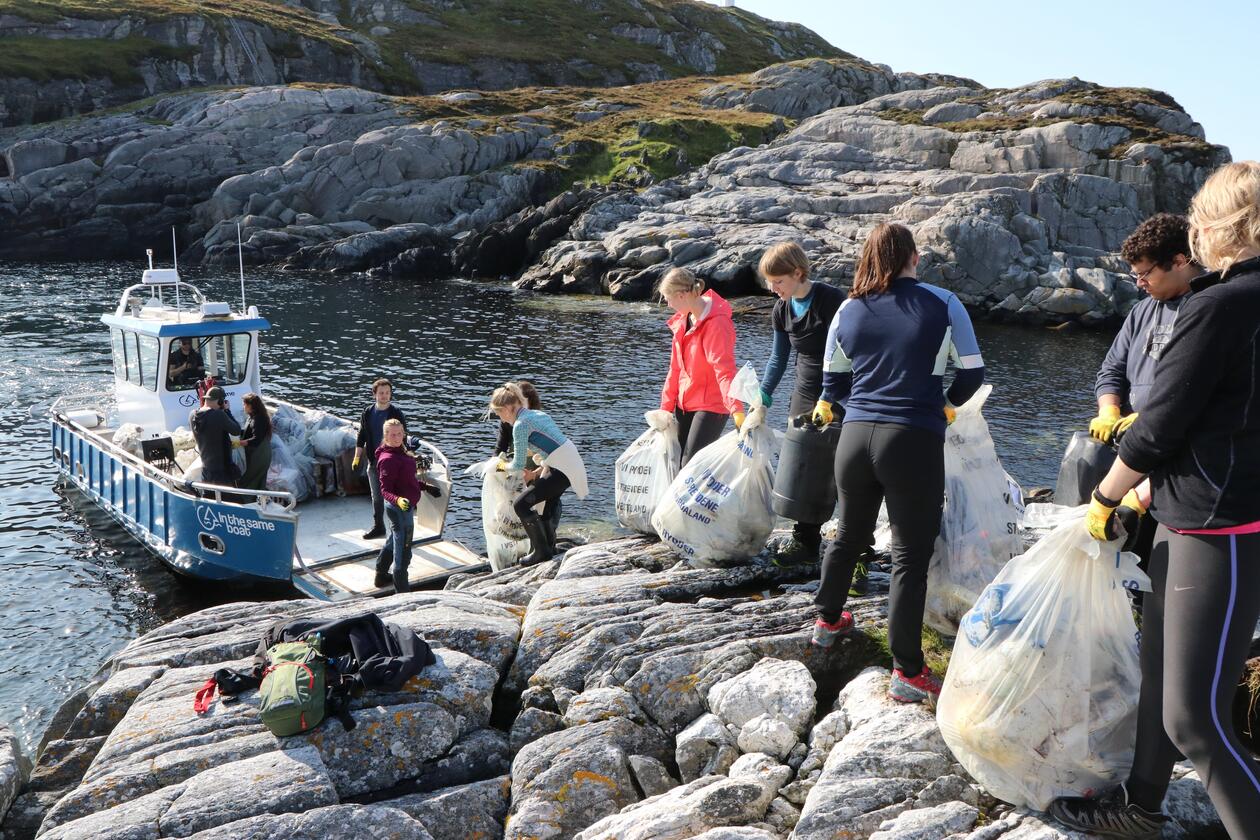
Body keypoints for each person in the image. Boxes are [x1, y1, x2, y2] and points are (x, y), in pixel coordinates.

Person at [1049, 162, 1260, 840]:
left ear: (1222, 225)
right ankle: (1140, 808)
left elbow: (1163, 424)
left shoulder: (1222, 304)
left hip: (1221, 528)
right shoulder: (1233, 300)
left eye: (1201, 221)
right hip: (1188, 511)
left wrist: (1105, 496)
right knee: (1161, 676)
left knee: (1195, 720)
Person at [809, 222, 985, 706]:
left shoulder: (848, 308)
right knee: (909, 555)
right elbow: (972, 373)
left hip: (854, 436)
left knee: (849, 534)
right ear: (913, 257)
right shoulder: (944, 303)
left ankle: (827, 621)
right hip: (911, 437)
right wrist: (945, 406)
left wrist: (850, 404)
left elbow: (832, 383)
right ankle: (907, 670)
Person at [1088, 213, 1200, 585]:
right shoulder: (1142, 311)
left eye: (1146, 274)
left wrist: (1152, 420)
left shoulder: (1207, 311)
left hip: (1178, 467)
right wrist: (1109, 410)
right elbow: (1112, 370)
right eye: (1135, 275)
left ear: (1179, 261)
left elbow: (1198, 404)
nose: (1139, 283)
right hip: (1132, 453)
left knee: (1157, 577)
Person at [757, 242, 847, 567]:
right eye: (769, 282)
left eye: (778, 281)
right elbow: (778, 359)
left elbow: (851, 350)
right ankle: (806, 541)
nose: (773, 289)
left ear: (798, 273)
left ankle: (853, 541)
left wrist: (832, 397)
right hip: (805, 393)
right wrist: (763, 397)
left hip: (842, 393)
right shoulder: (781, 310)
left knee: (842, 468)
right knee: (803, 467)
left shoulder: (831, 300)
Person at [489, 382, 588, 566]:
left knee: (521, 505)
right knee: (546, 507)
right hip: (570, 464)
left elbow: (518, 464)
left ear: (508, 408)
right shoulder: (537, 414)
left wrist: (499, 466)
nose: (501, 419)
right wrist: (538, 468)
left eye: (499, 413)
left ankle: (541, 553)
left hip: (562, 469)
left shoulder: (520, 425)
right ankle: (549, 549)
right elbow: (553, 445)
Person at [658, 268, 743, 469]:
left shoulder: (717, 324)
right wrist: (665, 409)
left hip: (711, 406)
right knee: (675, 465)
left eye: (669, 299)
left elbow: (724, 370)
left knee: (690, 467)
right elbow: (675, 369)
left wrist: (737, 410)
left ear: (682, 295)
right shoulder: (682, 321)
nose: (668, 305)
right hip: (684, 404)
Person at [372, 419, 441, 593]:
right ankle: (402, 592)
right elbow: (385, 490)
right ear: (386, 436)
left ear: (404, 434)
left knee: (393, 540)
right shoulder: (388, 459)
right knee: (403, 551)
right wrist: (398, 501)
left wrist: (425, 487)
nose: (397, 438)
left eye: (399, 434)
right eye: (392, 435)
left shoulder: (402, 452)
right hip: (399, 510)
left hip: (405, 507)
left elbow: (407, 481)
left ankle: (380, 575)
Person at [493, 380, 562, 538]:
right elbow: (499, 449)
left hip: (544, 473)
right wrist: (495, 467)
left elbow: (552, 457)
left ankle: (545, 540)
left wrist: (535, 474)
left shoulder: (537, 422)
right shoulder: (507, 424)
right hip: (519, 476)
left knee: (546, 509)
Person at [352, 378, 407, 540]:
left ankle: (398, 529)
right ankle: (378, 527)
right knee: (376, 497)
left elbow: (403, 437)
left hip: (391, 462)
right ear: (374, 394)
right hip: (373, 461)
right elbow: (361, 436)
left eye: (387, 393)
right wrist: (357, 457)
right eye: (381, 393)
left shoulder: (396, 413)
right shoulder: (368, 412)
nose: (385, 396)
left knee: (393, 497)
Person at [191, 386, 242, 486]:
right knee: (227, 495)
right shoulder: (218, 415)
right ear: (220, 401)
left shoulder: (193, 414)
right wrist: (227, 411)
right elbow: (236, 430)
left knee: (210, 493)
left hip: (206, 469)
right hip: (222, 471)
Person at [235, 393, 273, 492]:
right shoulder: (252, 416)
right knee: (256, 479)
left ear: (250, 406)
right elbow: (247, 431)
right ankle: (258, 497)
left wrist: (237, 443)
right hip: (255, 453)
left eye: (244, 404)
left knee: (251, 479)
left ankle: (249, 498)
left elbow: (256, 440)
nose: (243, 407)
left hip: (259, 455)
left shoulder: (259, 419)